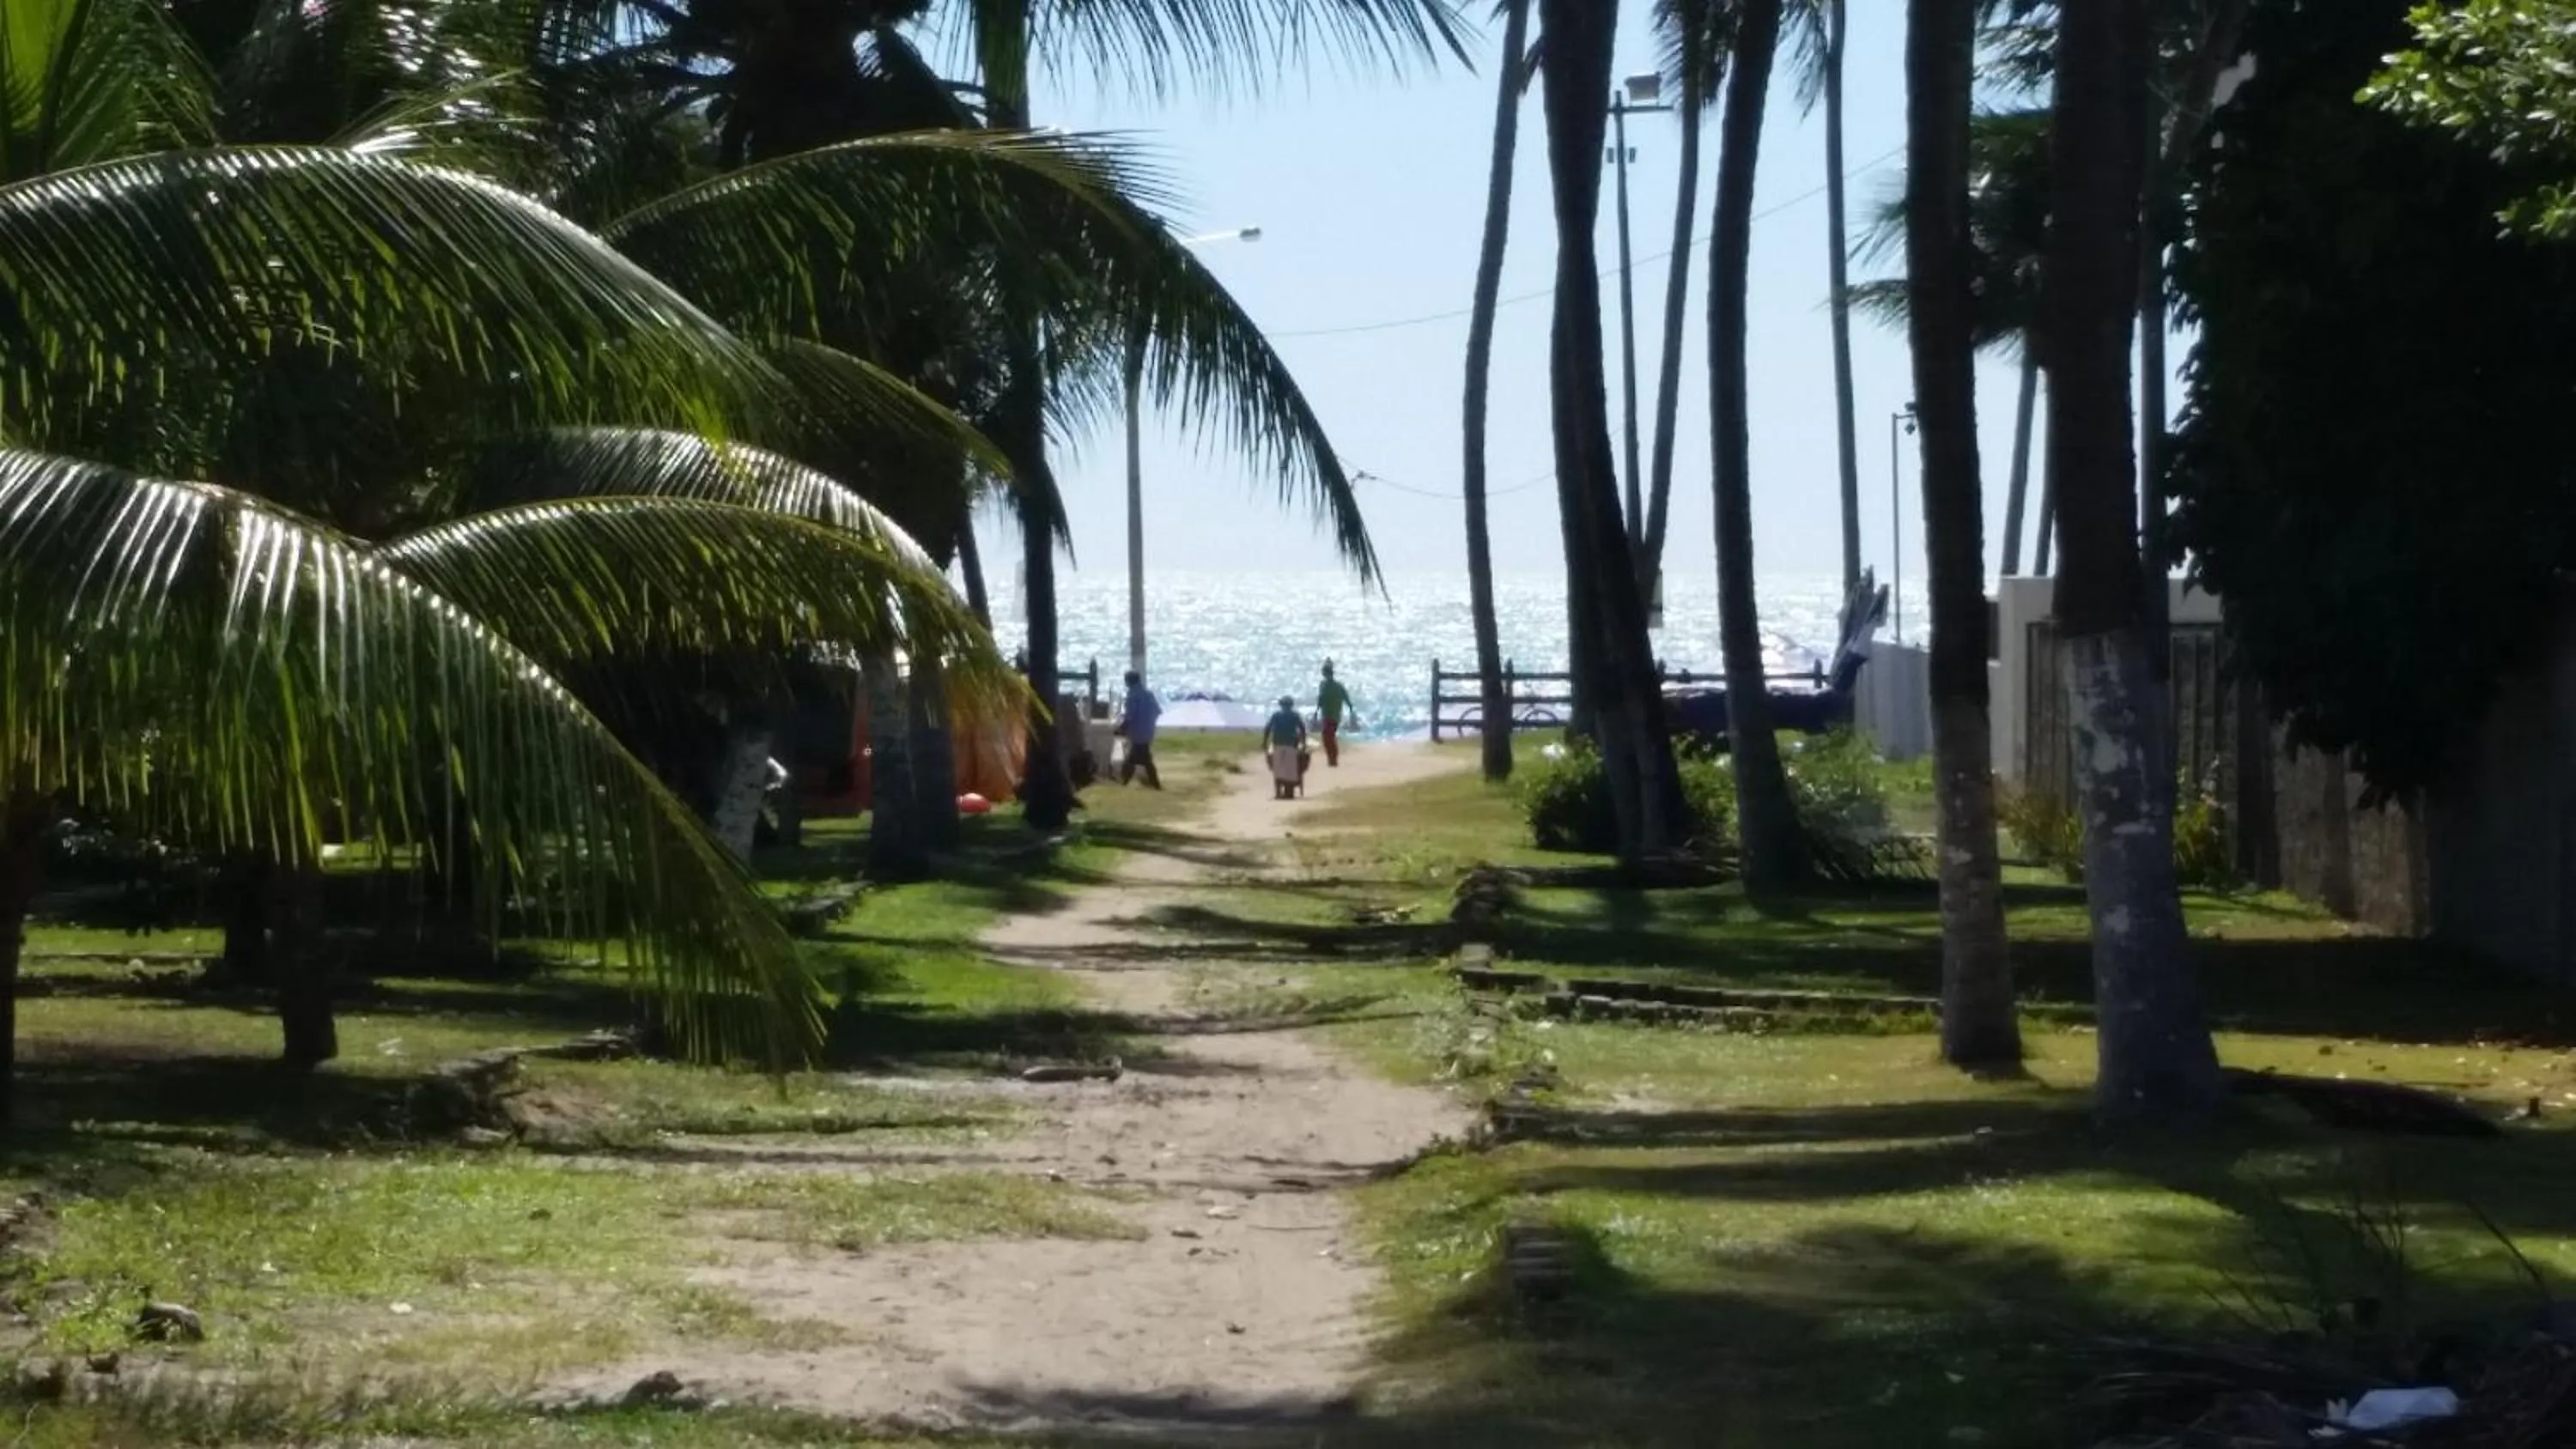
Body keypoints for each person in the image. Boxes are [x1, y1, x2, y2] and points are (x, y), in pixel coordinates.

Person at [1116, 670, 1163, 789]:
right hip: (1148, 731)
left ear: (1128, 682)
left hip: (1137, 733)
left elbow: (1130, 716)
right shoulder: (1149, 694)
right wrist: (1148, 722)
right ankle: (1153, 783)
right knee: (1142, 758)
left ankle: (1124, 782)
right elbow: (1158, 711)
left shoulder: (1132, 696)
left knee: (1135, 759)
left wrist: (1121, 728)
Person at [1263, 694, 1308, 801]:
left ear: (1281, 705)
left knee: (1278, 768)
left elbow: (1268, 728)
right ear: (1291, 705)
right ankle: (1289, 792)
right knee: (1290, 769)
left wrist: (1265, 742)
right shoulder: (1295, 715)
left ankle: (1278, 792)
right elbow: (1302, 729)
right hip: (1291, 744)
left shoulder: (1276, 715)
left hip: (1278, 744)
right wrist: (1304, 743)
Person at [1316, 661, 1358, 767]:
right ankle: (1332, 758)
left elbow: (1321, 699)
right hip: (1333, 715)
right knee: (1329, 736)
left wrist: (1317, 710)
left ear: (1325, 674)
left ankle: (1333, 758)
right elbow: (1346, 698)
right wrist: (1351, 709)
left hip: (1329, 715)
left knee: (1327, 736)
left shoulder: (1325, 685)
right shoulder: (1337, 686)